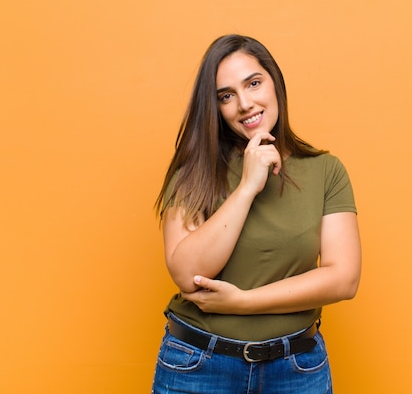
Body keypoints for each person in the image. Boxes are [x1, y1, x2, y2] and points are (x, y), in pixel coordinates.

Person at [152, 34, 361, 394]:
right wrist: (247, 187)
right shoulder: (195, 170)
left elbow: (343, 279)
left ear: (274, 81)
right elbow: (188, 274)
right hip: (199, 366)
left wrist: (243, 302)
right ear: (215, 107)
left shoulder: (325, 170)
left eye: (253, 83)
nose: (245, 104)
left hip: (296, 369)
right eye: (226, 96)